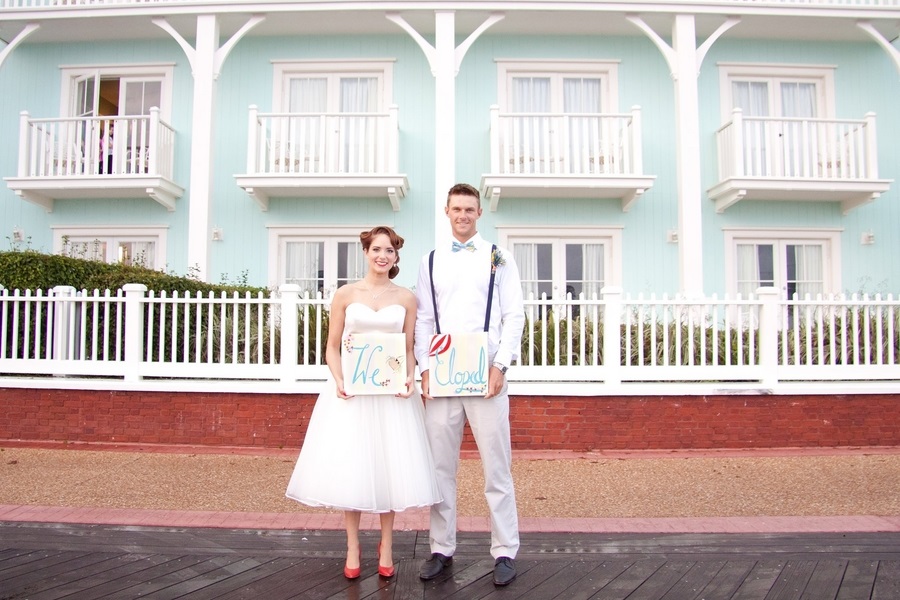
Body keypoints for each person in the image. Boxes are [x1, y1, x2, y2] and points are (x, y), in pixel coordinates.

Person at [286, 225, 441, 580]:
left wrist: (409, 379)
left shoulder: (406, 298)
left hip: (391, 396)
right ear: (366, 252)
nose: (382, 256)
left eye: (389, 251)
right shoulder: (345, 294)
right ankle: (353, 545)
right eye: (376, 250)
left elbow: (408, 348)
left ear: (395, 257)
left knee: (390, 468)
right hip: (353, 394)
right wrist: (339, 380)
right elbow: (332, 346)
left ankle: (386, 544)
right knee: (353, 469)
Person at [414, 183, 525, 586]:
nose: (463, 215)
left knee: (497, 467)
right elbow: (424, 318)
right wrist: (424, 369)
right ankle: (441, 549)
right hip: (442, 378)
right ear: (446, 211)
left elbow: (514, 315)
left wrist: (501, 365)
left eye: (469, 209)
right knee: (440, 468)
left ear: (479, 213)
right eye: (456, 208)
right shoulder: (430, 260)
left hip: (486, 378)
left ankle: (505, 551)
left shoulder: (500, 257)